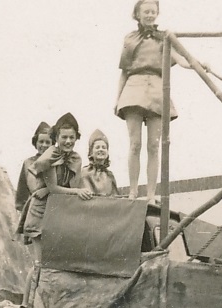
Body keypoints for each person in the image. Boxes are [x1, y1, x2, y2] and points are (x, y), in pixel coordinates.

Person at [115, 0, 194, 200]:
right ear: (138, 14)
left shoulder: (164, 38)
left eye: (153, 12)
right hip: (133, 88)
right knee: (135, 144)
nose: (150, 15)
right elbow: (124, 71)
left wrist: (198, 64)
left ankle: (151, 194)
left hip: (158, 90)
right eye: (146, 12)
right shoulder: (130, 38)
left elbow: (181, 59)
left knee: (154, 145)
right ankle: (133, 191)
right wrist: (117, 99)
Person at [17, 113, 94, 307]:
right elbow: (53, 188)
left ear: (77, 138)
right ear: (56, 138)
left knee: (52, 265)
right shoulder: (50, 156)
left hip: (58, 213)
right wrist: (77, 192)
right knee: (40, 264)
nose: (68, 141)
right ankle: (28, 305)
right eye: (64, 137)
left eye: (71, 137)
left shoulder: (75, 158)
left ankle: (42, 306)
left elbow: (68, 185)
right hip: (41, 213)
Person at [14, 121, 53, 212]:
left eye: (47, 142)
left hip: (52, 208)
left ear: (52, 144)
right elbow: (22, 192)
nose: (44, 145)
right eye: (41, 142)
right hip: (33, 209)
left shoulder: (57, 162)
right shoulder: (28, 163)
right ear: (36, 143)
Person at [78, 129, 119, 197]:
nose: (101, 149)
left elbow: (115, 198)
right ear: (91, 153)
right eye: (97, 147)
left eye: (104, 147)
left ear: (107, 152)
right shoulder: (85, 173)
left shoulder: (110, 175)